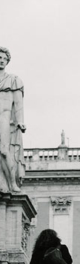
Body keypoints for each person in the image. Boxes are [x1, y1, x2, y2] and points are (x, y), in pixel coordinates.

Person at [0, 47, 26, 193]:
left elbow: (18, 103)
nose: (1, 60)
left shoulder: (13, 80)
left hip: (4, 118)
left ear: (7, 61)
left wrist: (20, 121)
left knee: (4, 151)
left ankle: (11, 183)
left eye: (4, 58)